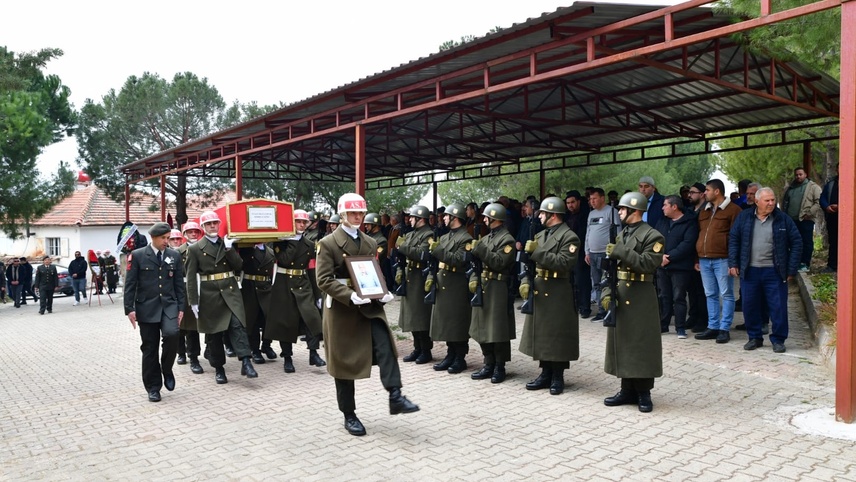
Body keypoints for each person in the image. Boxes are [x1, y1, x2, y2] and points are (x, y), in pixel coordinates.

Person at [315, 193, 418, 436]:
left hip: (370, 306)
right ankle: (348, 414)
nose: (358, 217)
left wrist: (383, 290)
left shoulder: (370, 242)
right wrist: (349, 295)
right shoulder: (328, 243)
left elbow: (372, 272)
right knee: (343, 363)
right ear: (342, 215)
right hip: (342, 309)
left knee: (385, 346)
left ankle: (395, 395)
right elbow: (323, 279)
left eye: (361, 212)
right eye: (353, 213)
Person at [600, 192, 665, 413]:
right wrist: (606, 292)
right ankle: (626, 389)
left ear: (634, 210)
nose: (619, 213)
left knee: (642, 345)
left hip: (641, 296)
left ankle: (644, 392)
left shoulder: (653, 236)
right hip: (621, 291)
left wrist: (622, 251)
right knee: (624, 342)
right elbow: (610, 269)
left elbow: (648, 264)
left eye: (622, 209)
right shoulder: (622, 234)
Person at [185, 210, 258, 385]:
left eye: (215, 223)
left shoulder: (225, 243)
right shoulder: (195, 249)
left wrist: (229, 249)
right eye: (209, 224)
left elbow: (239, 266)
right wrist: (193, 301)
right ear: (203, 227)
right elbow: (190, 277)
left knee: (238, 325)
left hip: (231, 290)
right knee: (214, 334)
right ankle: (219, 368)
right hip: (210, 294)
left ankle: (246, 361)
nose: (212, 226)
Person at [519, 197, 580, 395]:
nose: (540, 216)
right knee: (543, 334)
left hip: (558, 290)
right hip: (540, 285)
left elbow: (564, 263)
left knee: (558, 334)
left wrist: (537, 252)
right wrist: (526, 281)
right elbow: (529, 265)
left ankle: (558, 376)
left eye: (543, 213)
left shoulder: (569, 237)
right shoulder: (541, 235)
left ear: (553, 215)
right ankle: (545, 372)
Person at [729, 187, 801, 353]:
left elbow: (797, 242)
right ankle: (754, 337)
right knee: (750, 306)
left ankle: (778, 339)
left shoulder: (783, 219)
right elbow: (734, 239)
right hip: (750, 271)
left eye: (773, 200)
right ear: (757, 201)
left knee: (778, 307)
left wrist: (791, 269)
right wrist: (733, 263)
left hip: (774, 272)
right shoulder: (744, 217)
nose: (771, 203)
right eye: (767, 200)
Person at [124, 223, 186, 402]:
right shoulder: (138, 255)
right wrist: (129, 309)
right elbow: (130, 284)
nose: (167, 242)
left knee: (172, 334)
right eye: (163, 238)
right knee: (149, 348)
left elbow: (179, 285)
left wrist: (181, 307)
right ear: (153, 237)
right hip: (146, 307)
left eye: (168, 238)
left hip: (169, 306)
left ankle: (166, 368)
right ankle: (153, 387)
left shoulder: (174, 255)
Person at [269, 209, 327, 373]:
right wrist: (293, 240)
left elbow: (311, 270)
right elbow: (285, 260)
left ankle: (313, 353)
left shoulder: (309, 244)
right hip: (284, 285)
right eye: (298, 221)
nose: (302, 224)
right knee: (286, 323)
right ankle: (287, 357)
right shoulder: (280, 241)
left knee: (312, 317)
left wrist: (318, 294)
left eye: (304, 222)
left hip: (303, 283)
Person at [468, 202, 517, 383]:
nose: (484, 220)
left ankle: (499, 366)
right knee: (481, 326)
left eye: (487, 217)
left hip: (498, 286)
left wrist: (481, 249)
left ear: (494, 218)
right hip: (484, 285)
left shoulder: (507, 240)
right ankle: (488, 363)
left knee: (497, 329)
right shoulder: (487, 237)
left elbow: (498, 262)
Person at [427, 203, 474, 374]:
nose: (444, 218)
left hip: (457, 284)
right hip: (444, 282)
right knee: (447, 321)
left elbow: (458, 260)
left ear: (455, 218)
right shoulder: (446, 237)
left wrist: (438, 250)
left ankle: (460, 357)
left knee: (458, 322)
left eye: (446, 216)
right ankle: (450, 353)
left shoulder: (466, 238)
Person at [694, 179, 742, 344]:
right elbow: (699, 234)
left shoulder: (734, 210)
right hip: (704, 259)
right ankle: (713, 326)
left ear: (717, 191)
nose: (704, 193)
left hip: (723, 259)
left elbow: (737, 238)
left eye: (707, 190)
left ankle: (724, 329)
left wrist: (733, 262)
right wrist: (697, 258)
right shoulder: (704, 211)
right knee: (710, 294)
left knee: (726, 294)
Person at [654, 195, 699, 338]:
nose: (662, 208)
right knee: (663, 296)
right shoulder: (662, 222)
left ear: (674, 207)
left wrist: (669, 257)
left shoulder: (690, 222)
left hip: (681, 267)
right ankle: (664, 325)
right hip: (662, 265)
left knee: (679, 297)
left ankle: (680, 328)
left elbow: (687, 244)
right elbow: (655, 239)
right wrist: (659, 255)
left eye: (665, 205)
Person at [395, 205, 435, 364]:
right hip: (410, 276)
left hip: (420, 278)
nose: (409, 220)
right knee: (411, 316)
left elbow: (422, 254)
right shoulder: (411, 234)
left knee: (421, 316)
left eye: (412, 217)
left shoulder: (429, 234)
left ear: (420, 219)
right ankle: (417, 347)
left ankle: (426, 350)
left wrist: (403, 247)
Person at [239, 241, 277, 366]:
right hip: (250, 287)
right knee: (252, 321)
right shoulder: (246, 249)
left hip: (265, 287)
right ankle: (255, 350)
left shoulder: (270, 251)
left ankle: (266, 345)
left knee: (269, 318)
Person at [585, 188, 621, 322]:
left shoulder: (611, 212)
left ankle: (608, 309)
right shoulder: (591, 214)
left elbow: (617, 232)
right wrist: (586, 251)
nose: (592, 201)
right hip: (592, 254)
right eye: (590, 199)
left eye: (594, 198)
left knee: (607, 282)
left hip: (605, 253)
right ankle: (601, 310)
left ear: (602, 198)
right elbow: (588, 233)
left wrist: (613, 252)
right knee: (596, 283)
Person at [782, 167, 822, 272]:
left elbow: (818, 202)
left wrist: (809, 213)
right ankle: (796, 262)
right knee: (793, 242)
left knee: (806, 241)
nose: (798, 176)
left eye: (800, 174)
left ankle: (805, 263)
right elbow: (785, 203)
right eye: (796, 175)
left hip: (806, 219)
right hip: (792, 220)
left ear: (805, 175)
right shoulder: (791, 188)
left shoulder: (813, 187)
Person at [176, 222, 204, 375]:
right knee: (185, 326)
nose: (193, 234)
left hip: (204, 289)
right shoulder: (178, 252)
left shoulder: (204, 248)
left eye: (196, 232)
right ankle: (186, 354)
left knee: (200, 326)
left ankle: (200, 355)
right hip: (185, 290)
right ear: (185, 234)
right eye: (190, 232)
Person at [565, 190, 591, 318]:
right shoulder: (566, 216)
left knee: (582, 281)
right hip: (568, 253)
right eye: (568, 203)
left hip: (581, 252)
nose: (570, 205)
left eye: (573, 202)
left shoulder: (586, 215)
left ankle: (585, 308)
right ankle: (574, 306)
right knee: (570, 281)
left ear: (578, 201)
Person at [820, 172, 839, 272]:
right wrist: (827, 207)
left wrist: (841, 207)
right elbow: (822, 197)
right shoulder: (831, 183)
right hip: (832, 217)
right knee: (833, 241)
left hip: (849, 219)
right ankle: (832, 265)